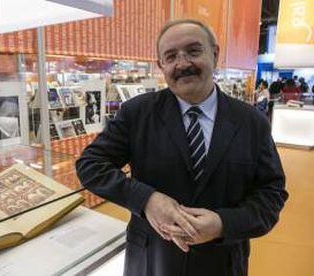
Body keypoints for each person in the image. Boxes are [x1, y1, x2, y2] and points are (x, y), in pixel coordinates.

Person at [76, 19, 288, 276]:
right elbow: (90, 165)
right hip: (152, 260)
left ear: (215, 54)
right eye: (171, 56)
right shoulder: (137, 113)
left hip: (222, 262)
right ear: (161, 66)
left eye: (193, 51)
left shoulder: (251, 121)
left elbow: (271, 193)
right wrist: (147, 200)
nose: (183, 63)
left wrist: (223, 224)